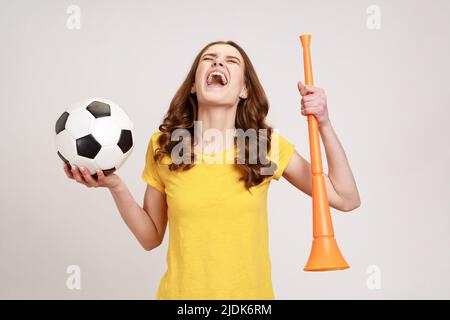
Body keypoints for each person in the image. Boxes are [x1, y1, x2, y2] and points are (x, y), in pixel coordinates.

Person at [63, 40, 361, 300]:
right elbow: (150, 237)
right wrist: (115, 185)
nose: (218, 61)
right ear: (194, 84)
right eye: (209, 58)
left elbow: (346, 198)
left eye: (231, 60)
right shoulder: (165, 146)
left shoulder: (262, 146)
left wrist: (324, 123)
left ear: (244, 89)